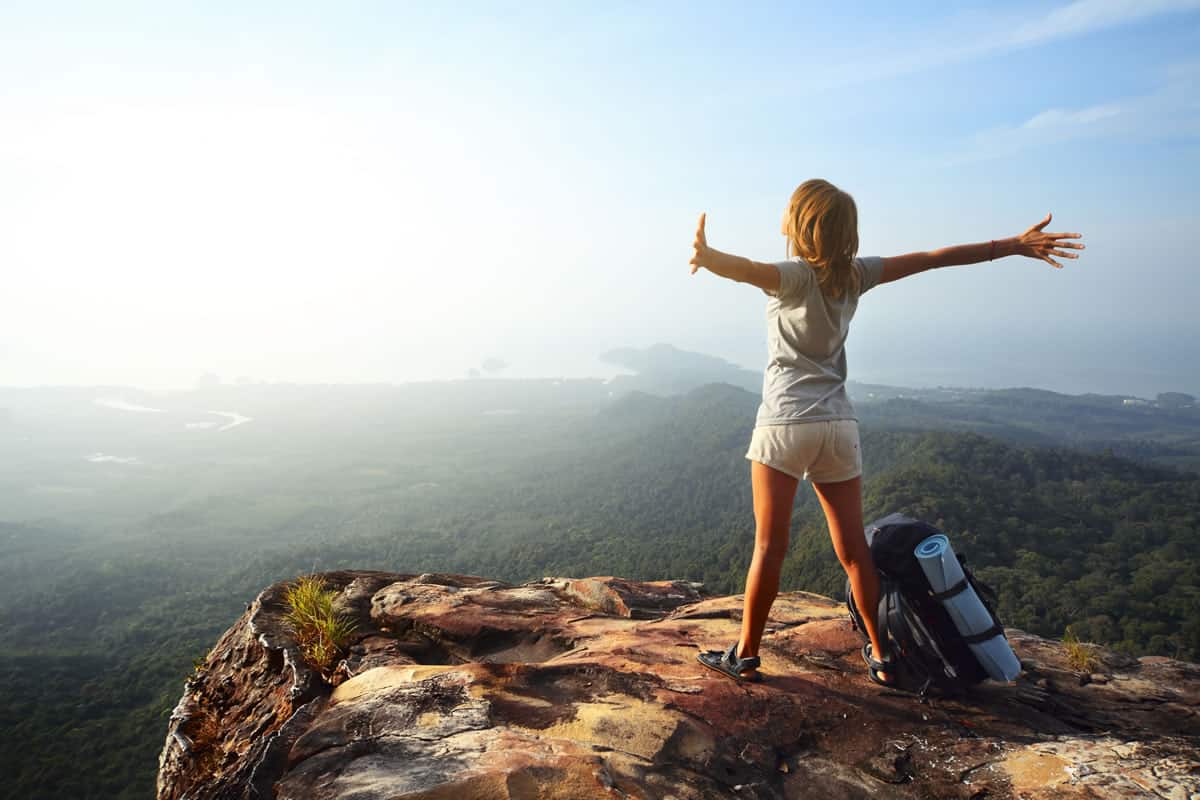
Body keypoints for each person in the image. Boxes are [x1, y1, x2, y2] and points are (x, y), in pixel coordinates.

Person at [692, 179, 1084, 686]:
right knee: (855, 550)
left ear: (800, 226)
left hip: (785, 423)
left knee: (770, 546)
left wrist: (709, 255)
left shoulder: (792, 276)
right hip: (838, 425)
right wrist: (1010, 245)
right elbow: (932, 257)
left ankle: (744, 654)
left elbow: (746, 270)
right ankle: (882, 655)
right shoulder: (857, 275)